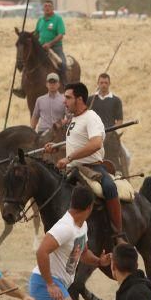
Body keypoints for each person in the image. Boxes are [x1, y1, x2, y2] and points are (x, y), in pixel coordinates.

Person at [44, 82, 125, 240]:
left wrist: (68, 158)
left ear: (79, 99)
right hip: (73, 169)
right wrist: (57, 147)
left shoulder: (91, 118)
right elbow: (77, 144)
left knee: (109, 187)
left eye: (68, 97)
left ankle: (118, 233)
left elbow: (95, 143)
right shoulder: (74, 119)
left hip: (92, 168)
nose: (64, 101)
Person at [89, 73, 131, 174]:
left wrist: (110, 131)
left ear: (109, 84)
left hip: (111, 136)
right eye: (101, 82)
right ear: (97, 84)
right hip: (94, 136)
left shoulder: (116, 100)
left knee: (127, 156)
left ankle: (125, 179)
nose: (103, 85)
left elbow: (120, 121)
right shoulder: (91, 99)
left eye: (106, 83)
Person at [35, 0, 68, 80]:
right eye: (45, 6)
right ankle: (23, 86)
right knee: (28, 63)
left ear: (53, 8)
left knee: (62, 64)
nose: (47, 8)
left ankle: (65, 84)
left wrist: (49, 44)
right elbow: (36, 34)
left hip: (55, 48)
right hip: (41, 48)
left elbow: (61, 35)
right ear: (43, 8)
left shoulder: (58, 19)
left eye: (49, 6)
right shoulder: (40, 20)